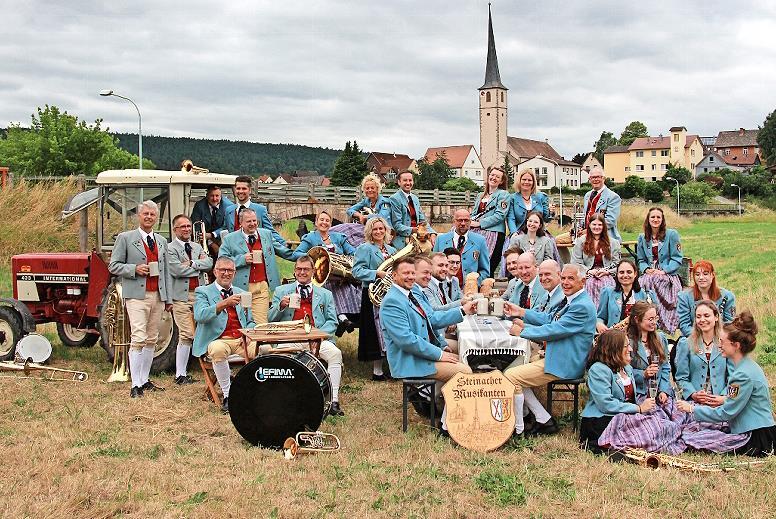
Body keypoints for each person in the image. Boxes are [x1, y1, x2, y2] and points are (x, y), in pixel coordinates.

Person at [379, 256, 476, 433]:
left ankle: (438, 400)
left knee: (465, 354)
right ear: (394, 276)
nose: (409, 276)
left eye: (411, 273)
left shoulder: (408, 295)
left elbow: (430, 320)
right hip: (409, 361)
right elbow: (406, 340)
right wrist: (439, 354)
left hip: (420, 355)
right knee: (464, 372)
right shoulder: (392, 301)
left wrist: (462, 311)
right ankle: (448, 426)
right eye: (405, 273)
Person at [503, 264, 598, 436]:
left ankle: (519, 428)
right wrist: (521, 311)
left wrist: (522, 332)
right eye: (563, 278)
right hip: (558, 356)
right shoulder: (573, 299)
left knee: (511, 376)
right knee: (513, 367)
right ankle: (542, 418)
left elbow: (554, 330)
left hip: (565, 364)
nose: (565, 283)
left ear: (583, 281)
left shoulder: (582, 306)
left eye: (571, 278)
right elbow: (549, 318)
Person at [678, 312, 776, 457]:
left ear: (736, 345)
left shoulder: (741, 375)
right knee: (697, 430)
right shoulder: (747, 366)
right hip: (757, 428)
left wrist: (691, 409)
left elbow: (726, 413)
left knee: (693, 439)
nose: (719, 345)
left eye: (722, 341)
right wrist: (724, 400)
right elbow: (743, 400)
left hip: (754, 436)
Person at [108, 201, 174, 398]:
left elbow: (166, 272)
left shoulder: (162, 241)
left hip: (158, 296)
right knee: (138, 337)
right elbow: (113, 265)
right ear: (138, 216)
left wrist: (168, 298)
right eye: (145, 214)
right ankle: (135, 384)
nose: (149, 217)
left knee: (152, 338)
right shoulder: (126, 238)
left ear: (156, 218)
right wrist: (133, 269)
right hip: (137, 294)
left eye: (152, 215)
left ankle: (145, 379)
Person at [269, 256, 346, 416]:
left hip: (317, 339)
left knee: (335, 354)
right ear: (294, 271)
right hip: (290, 338)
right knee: (276, 357)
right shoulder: (281, 291)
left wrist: (318, 337)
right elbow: (270, 319)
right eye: (299, 269)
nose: (302, 272)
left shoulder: (325, 294)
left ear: (313, 272)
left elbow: (333, 321)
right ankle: (282, 399)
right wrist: (281, 306)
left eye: (306, 269)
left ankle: (334, 401)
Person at [192, 257, 255, 413]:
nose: (226, 273)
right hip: (218, 340)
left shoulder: (242, 292)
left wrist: (247, 335)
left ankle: (257, 392)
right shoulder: (203, 291)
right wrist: (223, 304)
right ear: (215, 272)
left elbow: (251, 321)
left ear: (234, 273)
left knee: (265, 349)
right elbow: (200, 315)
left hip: (241, 340)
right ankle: (229, 395)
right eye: (222, 270)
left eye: (230, 270)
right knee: (217, 349)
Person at [579, 329, 656, 454]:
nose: (630, 349)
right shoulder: (598, 369)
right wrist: (638, 409)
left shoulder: (626, 368)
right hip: (602, 421)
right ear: (614, 348)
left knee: (658, 426)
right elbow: (606, 404)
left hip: (624, 417)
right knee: (649, 431)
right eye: (626, 346)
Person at [286, 210, 360, 332]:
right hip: (320, 276)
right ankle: (341, 318)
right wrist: (314, 257)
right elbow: (296, 254)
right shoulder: (310, 237)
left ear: (330, 223)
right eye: (321, 220)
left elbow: (352, 252)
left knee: (351, 287)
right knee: (329, 289)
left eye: (327, 220)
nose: (324, 223)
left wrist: (350, 258)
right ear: (316, 222)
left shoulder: (338, 237)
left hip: (339, 276)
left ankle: (349, 317)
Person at [167, 214, 213, 384]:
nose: (186, 229)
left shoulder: (196, 246)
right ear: (175, 230)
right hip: (181, 297)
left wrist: (192, 264)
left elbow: (209, 264)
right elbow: (177, 271)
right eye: (182, 227)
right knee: (187, 333)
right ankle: (180, 375)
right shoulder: (170, 248)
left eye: (188, 226)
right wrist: (198, 265)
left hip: (199, 294)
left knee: (202, 330)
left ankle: (186, 372)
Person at [218, 208, 282, 325]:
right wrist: (242, 259)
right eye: (249, 221)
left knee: (261, 324)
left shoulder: (266, 234)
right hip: (240, 288)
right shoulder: (229, 239)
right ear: (241, 222)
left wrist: (303, 255)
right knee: (242, 322)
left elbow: (282, 249)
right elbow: (222, 261)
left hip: (261, 287)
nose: (253, 224)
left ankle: (260, 343)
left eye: (254, 221)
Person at [352, 216, 396, 380]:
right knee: (375, 331)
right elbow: (356, 271)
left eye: (381, 228)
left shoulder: (392, 250)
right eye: (375, 229)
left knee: (390, 329)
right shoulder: (365, 248)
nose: (378, 231)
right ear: (370, 231)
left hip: (390, 294)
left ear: (386, 230)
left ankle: (392, 368)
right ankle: (377, 371)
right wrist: (376, 273)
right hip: (373, 294)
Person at [674, 300, 731, 405]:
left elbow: (733, 377)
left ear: (716, 317)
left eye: (706, 315)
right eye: (698, 316)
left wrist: (723, 397)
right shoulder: (686, 344)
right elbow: (681, 378)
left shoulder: (726, 343)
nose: (702, 320)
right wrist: (693, 394)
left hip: (721, 402)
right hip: (694, 403)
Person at [636, 207, 683, 333]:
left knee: (658, 280)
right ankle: (646, 320)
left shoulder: (671, 235)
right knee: (642, 283)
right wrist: (646, 269)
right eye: (653, 217)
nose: (655, 220)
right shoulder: (642, 237)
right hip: (650, 272)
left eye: (658, 217)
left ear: (662, 220)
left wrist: (664, 271)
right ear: (648, 219)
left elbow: (677, 258)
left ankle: (663, 321)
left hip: (667, 273)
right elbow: (641, 260)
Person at [571, 213, 621, 307]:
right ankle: (591, 312)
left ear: (604, 226)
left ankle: (605, 313)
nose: (596, 227)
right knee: (590, 284)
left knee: (606, 285)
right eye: (594, 224)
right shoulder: (581, 241)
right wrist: (589, 271)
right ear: (589, 225)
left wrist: (607, 272)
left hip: (606, 273)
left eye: (600, 225)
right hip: (587, 274)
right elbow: (575, 262)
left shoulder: (613, 243)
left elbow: (618, 265)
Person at [626, 301, 672, 402]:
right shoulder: (627, 342)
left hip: (658, 392)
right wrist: (643, 374)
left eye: (655, 318)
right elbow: (624, 371)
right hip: (638, 394)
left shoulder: (660, 338)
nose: (654, 322)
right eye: (650, 319)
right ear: (637, 319)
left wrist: (664, 391)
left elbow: (665, 367)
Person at [676, 260, 736, 337]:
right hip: (692, 338)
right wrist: (703, 338)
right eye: (697, 274)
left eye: (705, 274)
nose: (701, 277)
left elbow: (729, 324)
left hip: (719, 339)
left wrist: (715, 338)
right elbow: (684, 325)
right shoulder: (684, 296)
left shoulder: (728, 296)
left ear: (712, 275)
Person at [596, 259, 657, 333]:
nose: (625, 275)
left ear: (635, 274)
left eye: (629, 272)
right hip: (614, 338)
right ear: (617, 274)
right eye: (621, 272)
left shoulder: (643, 294)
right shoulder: (607, 292)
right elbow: (600, 317)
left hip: (636, 337)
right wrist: (599, 324)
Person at [469, 166, 510, 276]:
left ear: (501, 181)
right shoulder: (480, 195)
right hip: (477, 232)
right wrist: (470, 222)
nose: (494, 178)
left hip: (494, 232)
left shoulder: (503, 194)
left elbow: (500, 215)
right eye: (492, 175)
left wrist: (480, 223)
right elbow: (474, 213)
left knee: (487, 265)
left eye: (497, 177)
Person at [224, 176, 287, 247]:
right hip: (235, 254)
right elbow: (224, 230)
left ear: (250, 190)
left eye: (244, 188)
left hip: (254, 251)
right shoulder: (229, 210)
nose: (241, 191)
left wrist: (284, 243)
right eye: (238, 188)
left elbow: (270, 231)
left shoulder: (260, 210)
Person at [414, 255, 460, 353]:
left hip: (437, 338)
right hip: (427, 349)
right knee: (467, 355)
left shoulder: (438, 283)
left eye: (446, 265)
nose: (445, 269)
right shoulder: (423, 288)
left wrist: (442, 345)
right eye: (440, 265)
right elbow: (434, 314)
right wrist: (462, 308)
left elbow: (432, 319)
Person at [432, 209, 490, 285]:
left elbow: (485, 271)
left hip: (469, 291)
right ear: (454, 221)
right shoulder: (441, 239)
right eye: (460, 220)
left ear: (470, 222)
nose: (463, 223)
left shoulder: (480, 241)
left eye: (466, 220)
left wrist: (474, 284)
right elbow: (433, 266)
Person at [389, 170, 436, 249]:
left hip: (417, 239)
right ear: (399, 182)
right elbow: (396, 225)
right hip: (402, 242)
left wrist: (432, 233)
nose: (408, 183)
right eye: (405, 180)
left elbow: (422, 221)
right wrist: (413, 230)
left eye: (410, 180)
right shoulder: (394, 199)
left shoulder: (415, 198)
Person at [581, 167, 621, 242]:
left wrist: (589, 230)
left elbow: (610, 221)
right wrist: (579, 228)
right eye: (593, 177)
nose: (595, 179)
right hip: (585, 234)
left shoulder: (613, 197)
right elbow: (585, 216)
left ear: (604, 178)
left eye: (598, 177)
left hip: (604, 236)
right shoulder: (587, 195)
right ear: (589, 180)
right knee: (558, 240)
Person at [507, 168, 551, 233]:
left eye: (529, 180)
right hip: (519, 232)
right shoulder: (512, 198)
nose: (526, 182)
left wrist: (551, 212)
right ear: (519, 181)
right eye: (524, 179)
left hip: (538, 233)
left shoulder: (541, 197)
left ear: (533, 182)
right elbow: (511, 219)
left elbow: (546, 219)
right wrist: (514, 233)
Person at [190, 185, 228, 257]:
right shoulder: (199, 206)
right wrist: (211, 244)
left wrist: (212, 235)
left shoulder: (228, 206)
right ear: (207, 196)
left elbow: (227, 227)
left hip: (221, 238)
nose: (214, 199)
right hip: (204, 240)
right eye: (212, 196)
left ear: (221, 196)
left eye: (217, 196)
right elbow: (196, 227)